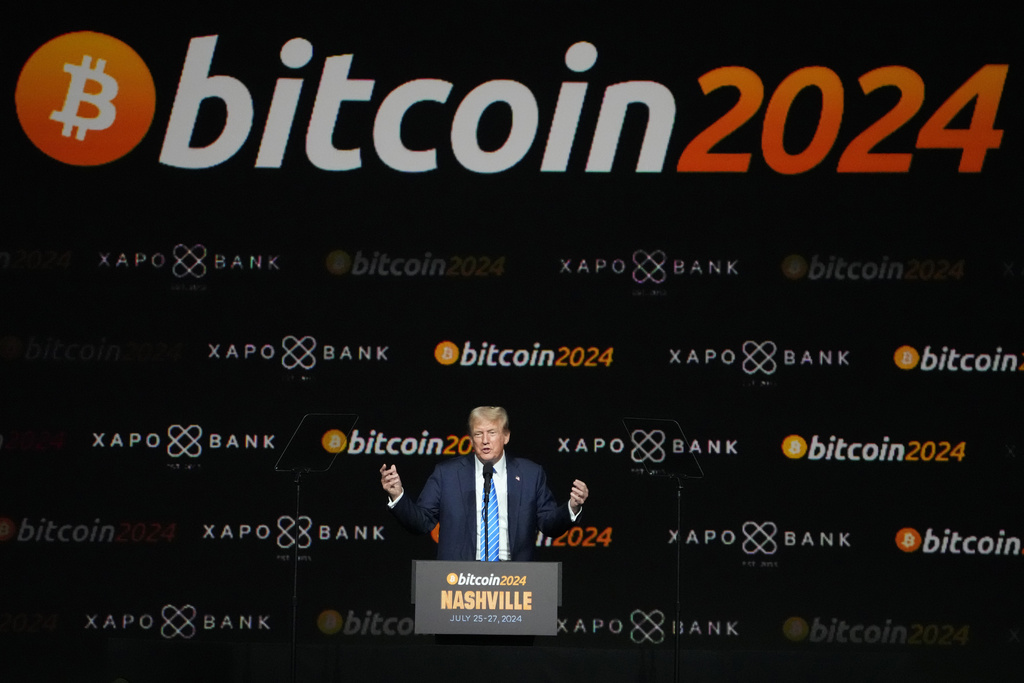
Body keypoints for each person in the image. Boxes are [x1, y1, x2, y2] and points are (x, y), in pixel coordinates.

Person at [380, 406, 588, 561]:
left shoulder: (530, 474)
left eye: (492, 433)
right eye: (478, 434)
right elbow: (421, 522)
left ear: (506, 436)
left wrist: (572, 507)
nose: (485, 440)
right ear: (471, 439)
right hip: (459, 580)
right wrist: (397, 496)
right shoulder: (447, 474)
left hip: (516, 580)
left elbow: (548, 524)